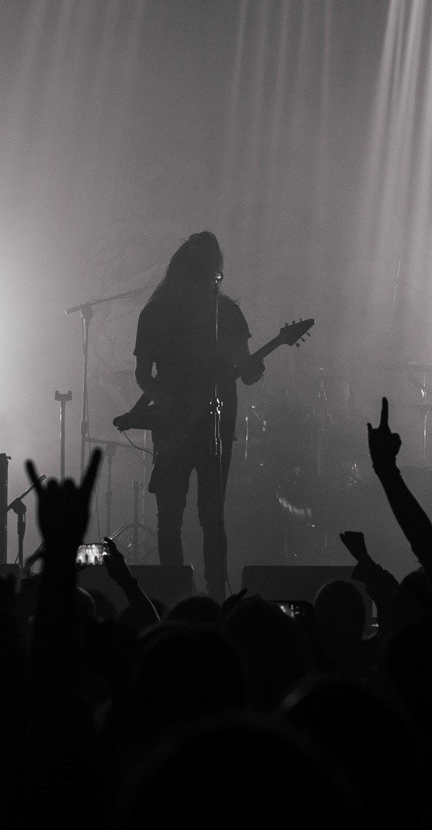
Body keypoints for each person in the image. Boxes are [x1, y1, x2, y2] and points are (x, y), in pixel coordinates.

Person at [132, 232, 264, 599]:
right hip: (177, 428)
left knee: (202, 516)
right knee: (184, 517)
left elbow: (246, 372)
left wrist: (253, 368)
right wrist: (169, 404)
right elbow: (144, 376)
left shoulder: (226, 313)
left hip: (212, 427)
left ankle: (207, 595)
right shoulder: (158, 312)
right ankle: (181, 594)